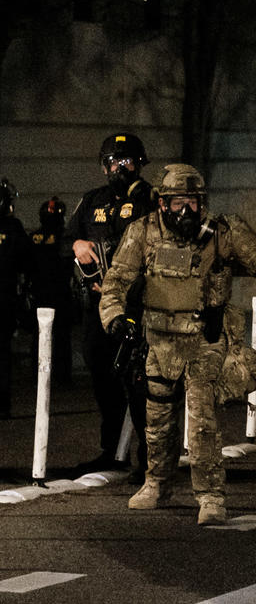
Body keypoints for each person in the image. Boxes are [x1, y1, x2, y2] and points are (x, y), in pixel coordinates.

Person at [99, 163, 256, 525]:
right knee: (157, 420)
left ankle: (210, 495)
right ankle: (157, 483)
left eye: (193, 203)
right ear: (161, 204)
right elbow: (117, 281)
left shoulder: (222, 232)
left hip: (204, 340)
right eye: (176, 203)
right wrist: (115, 319)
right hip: (158, 342)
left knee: (202, 420)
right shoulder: (142, 232)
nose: (185, 212)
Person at [69, 133, 156, 474]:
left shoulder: (151, 198)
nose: (120, 168)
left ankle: (150, 458)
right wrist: (77, 243)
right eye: (113, 162)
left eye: (127, 161)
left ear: (139, 163)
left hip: (135, 306)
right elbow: (67, 239)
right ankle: (111, 451)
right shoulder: (92, 201)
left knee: (139, 380)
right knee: (102, 377)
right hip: (98, 306)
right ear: (104, 166)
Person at [29, 198, 75, 386]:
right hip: (59, 291)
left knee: (39, 335)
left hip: (41, 291)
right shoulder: (65, 237)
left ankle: (38, 374)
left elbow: (27, 264)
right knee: (62, 337)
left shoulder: (34, 237)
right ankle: (62, 377)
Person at [0, 177, 32, 419]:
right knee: (2, 355)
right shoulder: (13, 228)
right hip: (5, 300)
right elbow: (27, 260)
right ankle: (2, 406)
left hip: (6, 299)